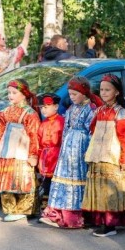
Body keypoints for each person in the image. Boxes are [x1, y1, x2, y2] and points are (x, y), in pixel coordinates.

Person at [39, 77, 99, 229]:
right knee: (63, 179)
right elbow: (65, 128)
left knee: (78, 179)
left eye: (75, 94)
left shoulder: (90, 109)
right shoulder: (71, 109)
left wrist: (88, 150)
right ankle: (56, 212)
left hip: (81, 148)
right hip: (67, 149)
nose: (71, 97)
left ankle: (76, 216)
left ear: (84, 93)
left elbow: (91, 131)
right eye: (70, 94)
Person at [82, 75, 125, 236]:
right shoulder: (99, 111)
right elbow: (92, 130)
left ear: (117, 92)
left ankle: (110, 224)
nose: (104, 93)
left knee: (110, 189)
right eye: (102, 90)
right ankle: (100, 220)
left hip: (112, 157)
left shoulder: (121, 113)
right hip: (98, 156)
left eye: (108, 90)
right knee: (99, 189)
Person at [0, 79, 41, 221]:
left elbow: (34, 135)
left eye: (14, 93)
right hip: (7, 150)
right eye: (9, 92)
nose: (10, 95)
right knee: (5, 179)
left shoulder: (29, 113)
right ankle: (10, 208)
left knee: (23, 179)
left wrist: (33, 154)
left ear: (24, 94)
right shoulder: (5, 112)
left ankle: (24, 209)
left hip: (22, 151)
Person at [36, 93, 65, 202]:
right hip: (45, 158)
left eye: (46, 107)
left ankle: (54, 208)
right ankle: (45, 209)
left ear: (56, 107)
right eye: (42, 107)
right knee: (45, 183)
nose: (43, 110)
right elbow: (39, 140)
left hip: (56, 157)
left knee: (55, 183)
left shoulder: (61, 121)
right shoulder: (43, 123)